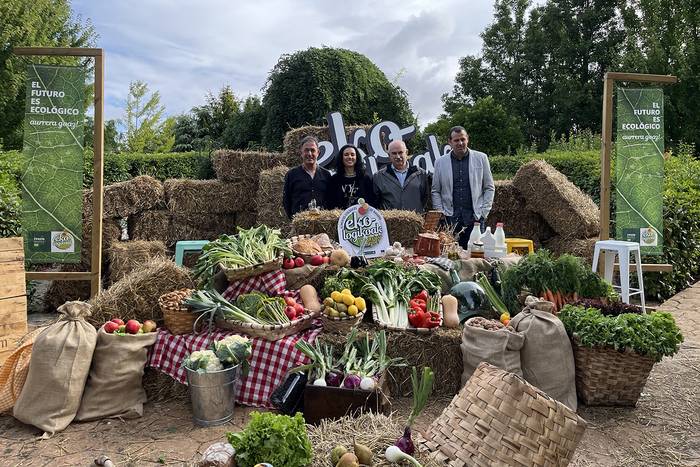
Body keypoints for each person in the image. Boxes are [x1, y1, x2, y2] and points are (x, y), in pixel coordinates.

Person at [431, 126, 495, 248]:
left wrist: (484, 212)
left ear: (467, 139)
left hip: (475, 218)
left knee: (476, 255)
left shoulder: (481, 158)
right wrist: (440, 212)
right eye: (456, 140)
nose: (460, 143)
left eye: (462, 139)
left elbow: (489, 187)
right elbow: (435, 190)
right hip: (450, 219)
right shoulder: (440, 162)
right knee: (450, 255)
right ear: (450, 142)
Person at [372, 139, 430, 213]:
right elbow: (376, 202)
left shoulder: (420, 173)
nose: (398, 156)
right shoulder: (379, 176)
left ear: (406, 153)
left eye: (400, 152)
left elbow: (424, 198)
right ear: (389, 155)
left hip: (415, 221)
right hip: (390, 223)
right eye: (394, 153)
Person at [282, 135, 331, 218]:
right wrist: (292, 218)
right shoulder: (291, 174)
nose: (309, 154)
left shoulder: (326, 175)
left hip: (322, 222)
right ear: (301, 153)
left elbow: (331, 199)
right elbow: (286, 201)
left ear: (318, 153)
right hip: (300, 223)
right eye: (306, 150)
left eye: (312, 150)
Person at [325, 144, 375, 210]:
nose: (350, 157)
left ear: (357, 157)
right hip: (340, 218)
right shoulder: (334, 180)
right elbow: (330, 202)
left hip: (362, 217)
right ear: (341, 158)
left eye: (352, 154)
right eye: (346, 155)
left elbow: (372, 201)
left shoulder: (365, 178)